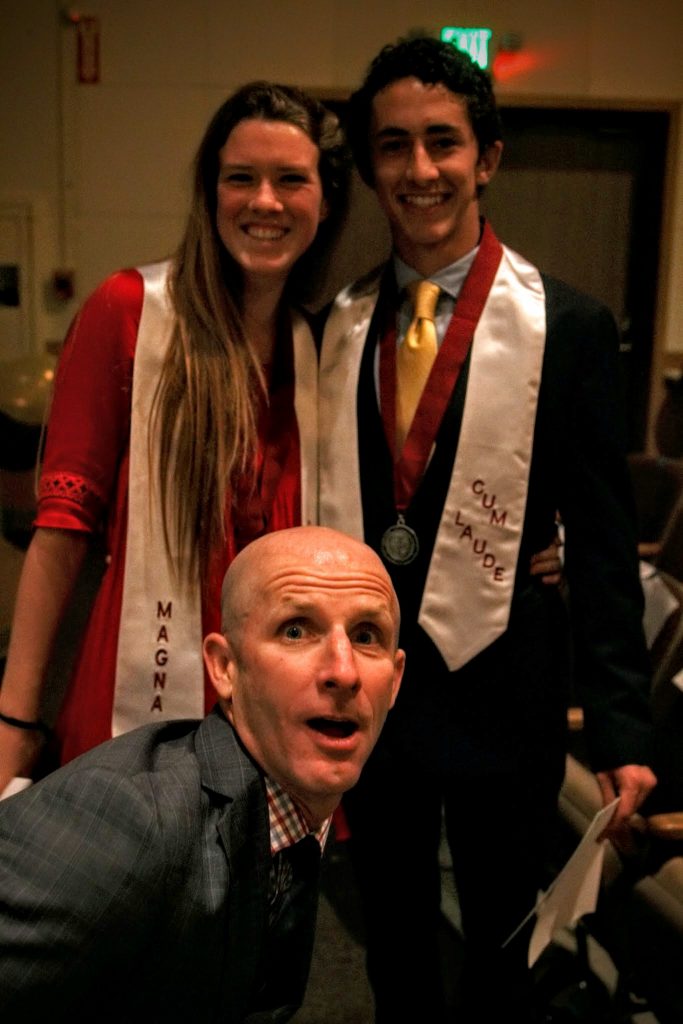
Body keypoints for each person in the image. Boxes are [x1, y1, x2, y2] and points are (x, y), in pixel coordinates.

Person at [318, 36, 657, 1021]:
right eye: (392, 147)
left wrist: (623, 732)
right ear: (371, 165)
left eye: (440, 144)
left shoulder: (572, 327)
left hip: (503, 691)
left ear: (487, 157)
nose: (417, 171)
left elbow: (598, 542)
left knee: (504, 961)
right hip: (369, 699)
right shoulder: (335, 327)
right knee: (390, 949)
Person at [0, 82, 348, 795]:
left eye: (291, 180)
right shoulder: (129, 312)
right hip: (140, 693)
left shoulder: (316, 349)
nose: (265, 202)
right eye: (240, 178)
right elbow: (60, 534)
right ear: (209, 191)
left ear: (324, 198)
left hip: (274, 715)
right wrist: (14, 725)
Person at [0, 525, 404, 1020]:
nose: (343, 671)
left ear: (396, 679)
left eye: (366, 636)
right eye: (296, 629)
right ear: (225, 668)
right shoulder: (133, 819)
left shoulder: (290, 808)